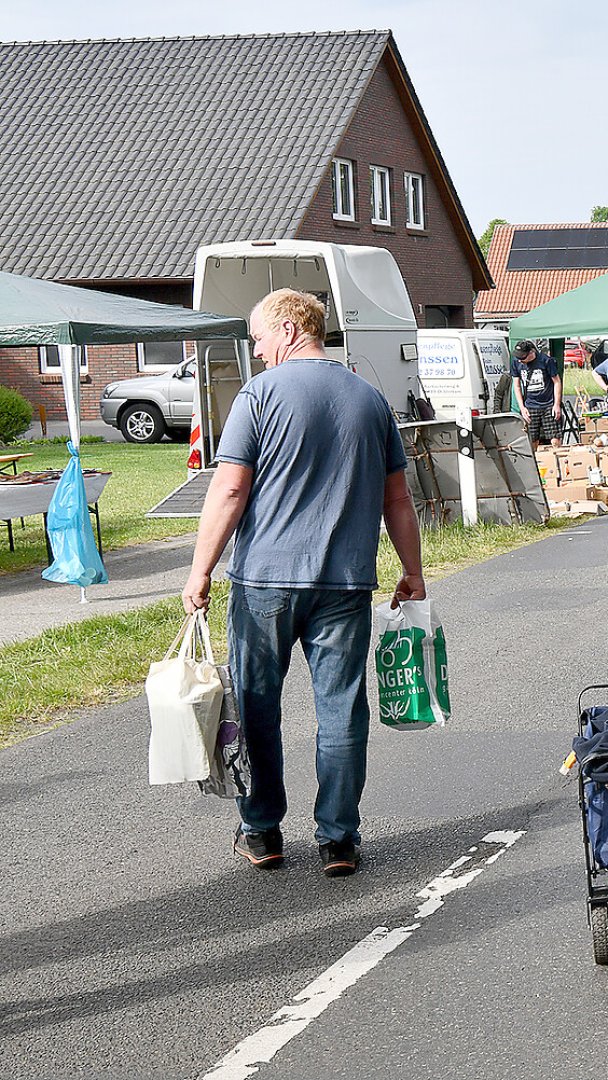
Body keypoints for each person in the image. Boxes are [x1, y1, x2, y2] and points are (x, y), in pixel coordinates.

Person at [182, 288, 425, 878]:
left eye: (261, 336)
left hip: (265, 581)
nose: (258, 349)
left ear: (291, 329)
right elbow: (398, 499)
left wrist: (200, 568)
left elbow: (231, 489)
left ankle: (262, 831)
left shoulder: (259, 395)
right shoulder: (370, 399)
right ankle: (338, 839)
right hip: (344, 584)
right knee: (341, 709)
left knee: (257, 708)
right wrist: (412, 570)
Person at [511, 339, 563, 447]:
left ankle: (557, 460)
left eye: (522, 357)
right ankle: (533, 463)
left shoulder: (546, 361)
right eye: (518, 357)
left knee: (555, 440)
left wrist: (556, 405)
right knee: (531, 440)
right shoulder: (516, 363)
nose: (520, 360)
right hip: (530, 406)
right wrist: (522, 408)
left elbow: (557, 382)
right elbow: (516, 386)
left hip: (548, 404)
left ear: (531, 353)